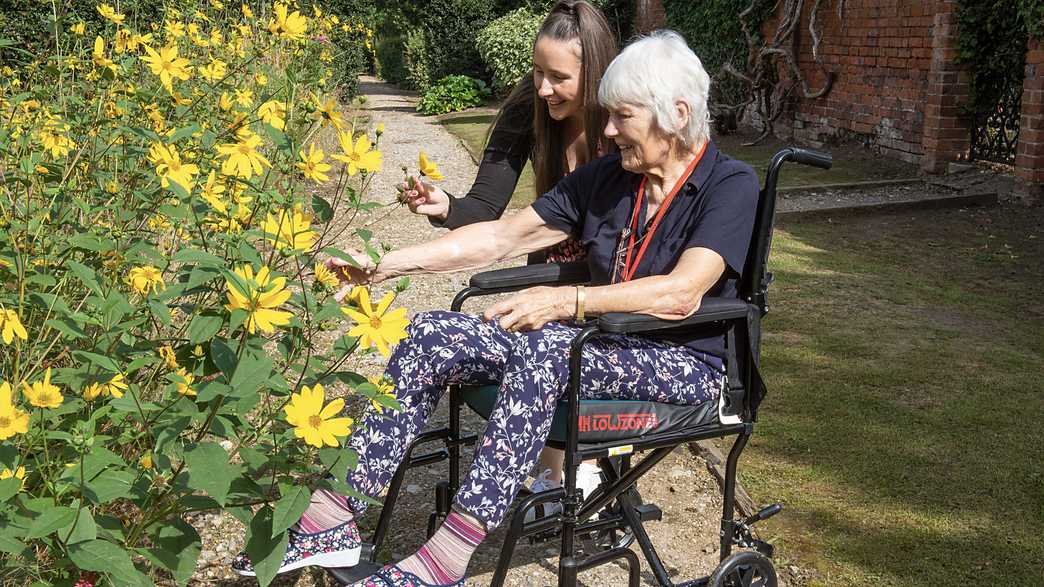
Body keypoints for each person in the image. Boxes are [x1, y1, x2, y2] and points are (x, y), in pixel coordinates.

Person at [232, 30, 760, 587]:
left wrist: (569, 300)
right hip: (601, 345)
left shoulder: (729, 185)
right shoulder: (609, 179)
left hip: (689, 365)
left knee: (550, 343)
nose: (606, 131)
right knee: (434, 334)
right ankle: (331, 516)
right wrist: (385, 263)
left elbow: (680, 293)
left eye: (621, 117)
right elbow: (500, 236)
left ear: (676, 114)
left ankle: (446, 560)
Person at [403, 0, 618, 511]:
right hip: (549, 260)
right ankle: (552, 476)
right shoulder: (529, 106)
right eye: (537, 71)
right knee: (529, 338)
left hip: (611, 268)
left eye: (558, 77)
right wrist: (445, 206)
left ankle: (587, 468)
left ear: (596, 74)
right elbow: (486, 206)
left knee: (568, 352)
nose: (543, 88)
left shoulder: (622, 117)